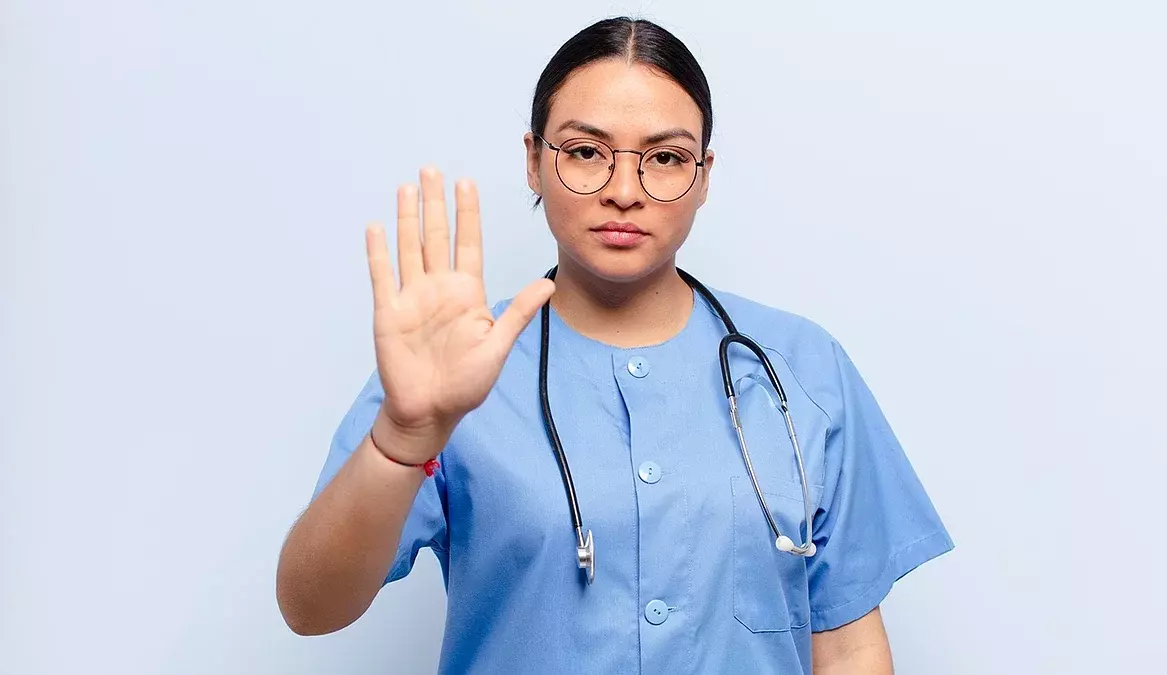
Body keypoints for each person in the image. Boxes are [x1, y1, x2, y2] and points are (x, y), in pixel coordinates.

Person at [275, 16, 953, 675]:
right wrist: (403, 433)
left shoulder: (801, 367)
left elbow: (848, 646)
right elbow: (311, 606)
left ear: (704, 175)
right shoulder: (454, 367)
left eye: (664, 158)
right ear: (535, 162)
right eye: (585, 152)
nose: (624, 191)